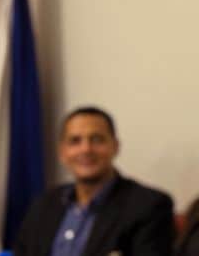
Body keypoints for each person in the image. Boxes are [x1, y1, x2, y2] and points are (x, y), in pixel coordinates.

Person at [13, 106, 174, 256]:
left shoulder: (148, 206)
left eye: (97, 139)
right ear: (62, 152)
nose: (86, 149)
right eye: (75, 141)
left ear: (115, 146)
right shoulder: (43, 205)